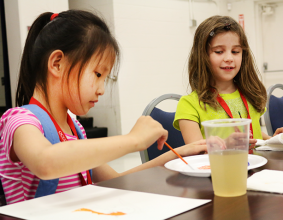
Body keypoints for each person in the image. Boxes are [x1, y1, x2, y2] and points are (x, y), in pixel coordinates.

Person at [0, 10, 207, 205]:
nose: (101, 90)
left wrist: (180, 153)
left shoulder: (75, 129)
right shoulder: (21, 121)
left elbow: (117, 180)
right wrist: (132, 140)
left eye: (105, 79)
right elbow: (45, 162)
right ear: (57, 64)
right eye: (98, 74)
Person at [173, 15, 283, 145]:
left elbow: (254, 136)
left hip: (259, 165)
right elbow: (196, 153)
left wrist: (275, 139)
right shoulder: (189, 105)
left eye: (235, 51)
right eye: (218, 51)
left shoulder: (251, 95)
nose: (229, 58)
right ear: (202, 55)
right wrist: (227, 146)